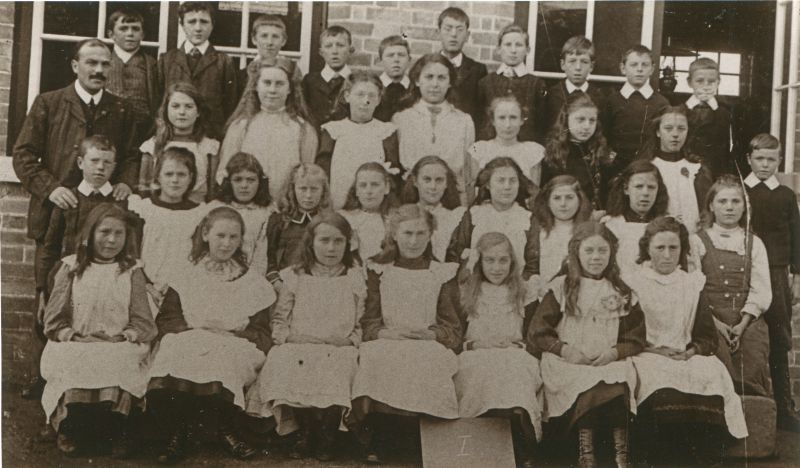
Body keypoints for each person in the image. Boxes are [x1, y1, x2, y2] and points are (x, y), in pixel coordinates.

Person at [13, 37, 138, 399]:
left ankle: (93, 383)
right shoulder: (49, 103)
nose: (98, 70)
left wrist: (125, 183)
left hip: (101, 216)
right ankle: (48, 379)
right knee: (52, 296)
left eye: (104, 64)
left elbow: (130, 155)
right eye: (91, 63)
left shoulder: (121, 109)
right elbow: (23, 155)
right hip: (56, 217)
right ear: (75, 66)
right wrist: (51, 188)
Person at [146, 207, 276, 464]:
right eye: (220, 235)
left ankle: (225, 429)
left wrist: (234, 333)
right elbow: (168, 319)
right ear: (206, 234)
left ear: (241, 240)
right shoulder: (185, 273)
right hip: (192, 336)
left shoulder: (253, 282)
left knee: (222, 357)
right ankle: (179, 431)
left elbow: (261, 331)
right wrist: (194, 330)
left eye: (233, 237)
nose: (226, 243)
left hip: (235, 342)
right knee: (178, 351)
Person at [625, 217, 747, 465]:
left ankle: (700, 455)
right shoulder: (633, 282)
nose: (667, 255)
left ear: (682, 250)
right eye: (660, 248)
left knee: (711, 372)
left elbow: (706, 337)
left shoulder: (692, 283)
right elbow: (625, 333)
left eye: (674, 248)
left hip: (684, 354)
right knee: (655, 378)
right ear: (647, 248)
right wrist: (654, 350)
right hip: (646, 354)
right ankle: (662, 456)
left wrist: (691, 351)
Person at [40, 204, 155, 458]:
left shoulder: (132, 271)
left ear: (127, 238)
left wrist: (125, 336)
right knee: (74, 357)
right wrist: (74, 336)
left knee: (120, 358)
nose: (111, 240)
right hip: (77, 339)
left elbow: (143, 321)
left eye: (119, 233)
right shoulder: (71, 267)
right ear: (90, 234)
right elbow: (53, 321)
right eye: (104, 232)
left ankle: (116, 427)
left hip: (118, 341)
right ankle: (70, 425)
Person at [248, 213, 364, 461]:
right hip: (300, 342)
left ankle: (327, 433)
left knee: (340, 364)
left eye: (338, 241)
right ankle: (305, 431)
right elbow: (280, 318)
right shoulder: (293, 276)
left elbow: (360, 322)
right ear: (311, 242)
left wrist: (350, 340)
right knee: (286, 360)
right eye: (324, 240)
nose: (331, 248)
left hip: (338, 345)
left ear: (348, 243)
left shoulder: (355, 277)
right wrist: (287, 338)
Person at [351, 204, 462, 464]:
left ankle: (418, 435)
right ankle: (383, 434)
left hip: (426, 340)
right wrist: (385, 333)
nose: (414, 241)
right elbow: (369, 319)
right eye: (408, 233)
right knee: (380, 356)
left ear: (430, 234)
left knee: (427, 359)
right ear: (394, 234)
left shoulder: (441, 272)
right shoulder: (378, 270)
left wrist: (431, 335)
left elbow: (452, 326)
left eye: (421, 233)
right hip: (388, 338)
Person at [529, 221, 645, 468]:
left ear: (612, 253)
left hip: (605, 358)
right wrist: (565, 350)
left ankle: (621, 456)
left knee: (618, 379)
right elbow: (538, 333)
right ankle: (586, 454)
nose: (596, 257)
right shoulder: (561, 288)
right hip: (569, 360)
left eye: (602, 251)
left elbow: (636, 336)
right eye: (589, 251)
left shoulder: (621, 290)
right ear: (576, 253)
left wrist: (615, 352)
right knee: (586, 385)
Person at [455, 232, 542, 468]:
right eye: (490, 260)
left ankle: (520, 437)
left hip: (513, 352)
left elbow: (535, 334)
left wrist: (518, 345)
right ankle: (476, 440)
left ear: (512, 262)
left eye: (503, 260)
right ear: (479, 262)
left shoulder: (524, 291)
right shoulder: (466, 291)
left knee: (516, 367)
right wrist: (474, 345)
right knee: (477, 369)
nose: (496, 267)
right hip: (476, 351)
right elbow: (454, 334)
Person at [695, 175, 772, 398]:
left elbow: (761, 289)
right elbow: (694, 289)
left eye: (736, 202)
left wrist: (742, 324)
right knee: (716, 370)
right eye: (722, 201)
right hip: (709, 321)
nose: (729, 207)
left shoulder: (754, 243)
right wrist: (716, 323)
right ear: (711, 205)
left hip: (747, 322)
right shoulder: (697, 241)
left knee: (751, 365)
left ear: (745, 206)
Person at [743, 134, 800, 431]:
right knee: (747, 335)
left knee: (779, 338)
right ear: (749, 159)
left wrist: (796, 277)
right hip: (747, 270)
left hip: (777, 272)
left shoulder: (786, 196)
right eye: (760, 159)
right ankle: (746, 406)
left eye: (771, 159)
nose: (765, 165)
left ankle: (784, 408)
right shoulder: (741, 192)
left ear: (779, 161)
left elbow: (796, 237)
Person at [218, 58, 318, 200]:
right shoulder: (241, 126)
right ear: (256, 86)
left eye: (279, 84)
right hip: (248, 206)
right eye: (267, 83)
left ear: (289, 88)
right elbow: (224, 173)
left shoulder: (303, 130)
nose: (272, 90)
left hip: (286, 208)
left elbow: (307, 176)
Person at [39, 136, 121, 298]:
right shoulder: (69, 200)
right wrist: (43, 289)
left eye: (107, 163)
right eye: (94, 161)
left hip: (108, 283)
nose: (100, 167)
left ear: (114, 167)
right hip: (72, 278)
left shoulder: (120, 201)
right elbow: (51, 248)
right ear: (80, 163)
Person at [393, 53, 476, 204]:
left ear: (450, 82)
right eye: (429, 77)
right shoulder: (401, 119)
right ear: (417, 80)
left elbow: (468, 173)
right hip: (412, 196)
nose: (435, 84)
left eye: (442, 78)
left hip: (451, 197)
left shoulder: (464, 121)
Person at [127, 147, 206, 305]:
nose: (175, 180)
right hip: (144, 287)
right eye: (169, 174)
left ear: (191, 177)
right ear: (158, 177)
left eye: (181, 174)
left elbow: (200, 257)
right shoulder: (142, 209)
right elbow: (131, 253)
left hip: (184, 291)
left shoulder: (199, 213)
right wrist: (147, 286)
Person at [316, 71, 400, 209]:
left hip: (374, 204)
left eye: (371, 96)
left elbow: (392, 174)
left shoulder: (386, 132)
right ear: (347, 96)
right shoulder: (332, 130)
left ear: (378, 100)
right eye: (360, 94)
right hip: (338, 201)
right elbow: (323, 172)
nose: (366, 101)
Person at [157, 1, 238, 139]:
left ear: (212, 25)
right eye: (192, 22)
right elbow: (158, 101)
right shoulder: (167, 60)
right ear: (182, 24)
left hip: (210, 136)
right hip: (173, 135)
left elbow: (230, 105)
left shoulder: (223, 61)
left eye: (204, 22)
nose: (198, 28)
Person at [447, 157, 536, 280]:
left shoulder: (528, 219)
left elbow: (533, 265)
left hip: (517, 288)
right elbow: (455, 254)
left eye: (512, 181)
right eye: (501, 180)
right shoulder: (474, 215)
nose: (507, 187)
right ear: (488, 184)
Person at [138, 82, 218, 203]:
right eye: (175, 106)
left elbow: (212, 192)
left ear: (198, 112)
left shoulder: (209, 147)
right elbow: (144, 188)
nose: (182, 112)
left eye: (188, 106)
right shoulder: (152, 145)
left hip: (197, 211)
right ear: (166, 110)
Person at [639, 106, 713, 233]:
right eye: (668, 128)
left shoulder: (697, 169)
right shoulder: (648, 168)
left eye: (681, 129)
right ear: (658, 132)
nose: (675, 134)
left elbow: (707, 210)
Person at [542, 92, 613, 212]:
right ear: (566, 120)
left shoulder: (602, 152)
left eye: (592, 121)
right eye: (580, 120)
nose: (587, 126)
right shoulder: (554, 154)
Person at [476, 24, 547, 143]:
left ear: (527, 50)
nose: (513, 50)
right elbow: (479, 120)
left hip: (525, 149)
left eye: (519, 45)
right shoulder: (485, 83)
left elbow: (541, 124)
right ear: (499, 49)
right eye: (508, 45)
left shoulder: (537, 84)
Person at [211, 152, 277, 278]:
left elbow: (262, 255)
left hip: (252, 276)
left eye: (251, 180)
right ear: (229, 181)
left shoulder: (266, 212)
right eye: (238, 179)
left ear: (260, 182)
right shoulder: (215, 208)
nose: (244, 186)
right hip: (216, 273)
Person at [266, 163, 331, 289]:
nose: (308, 195)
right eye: (302, 188)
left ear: (323, 191)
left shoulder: (328, 222)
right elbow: (270, 259)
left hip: (318, 286)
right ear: (292, 189)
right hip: (283, 285)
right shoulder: (279, 222)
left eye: (314, 189)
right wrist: (277, 283)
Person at [527, 175, 593, 299]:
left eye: (569, 198)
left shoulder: (588, 229)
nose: (563, 204)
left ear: (579, 200)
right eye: (557, 198)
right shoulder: (538, 230)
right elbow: (532, 267)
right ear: (547, 201)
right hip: (544, 298)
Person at [604, 45, 669, 169]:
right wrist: (611, 159)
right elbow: (603, 135)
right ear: (623, 68)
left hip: (649, 165)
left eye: (645, 65)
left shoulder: (661, 103)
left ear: (652, 69)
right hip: (616, 166)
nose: (639, 69)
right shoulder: (612, 101)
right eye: (634, 65)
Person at [602, 159, 669, 274]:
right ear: (626, 189)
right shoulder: (612, 225)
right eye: (639, 186)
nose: (645, 193)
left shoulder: (668, 225)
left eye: (651, 187)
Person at [105, 8, 159, 142]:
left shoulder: (152, 65)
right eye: (123, 29)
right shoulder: (103, 61)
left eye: (135, 29)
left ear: (142, 34)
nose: (130, 34)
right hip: (106, 130)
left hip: (143, 133)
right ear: (111, 34)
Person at [469, 95, 545, 188]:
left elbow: (533, 194)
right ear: (493, 120)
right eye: (501, 118)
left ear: (521, 120)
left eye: (513, 117)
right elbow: (475, 191)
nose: (508, 125)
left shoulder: (532, 151)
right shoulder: (480, 149)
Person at [400, 156, 465, 261]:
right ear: (415, 181)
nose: (433, 187)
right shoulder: (403, 215)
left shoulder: (456, 217)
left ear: (446, 183)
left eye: (439, 180)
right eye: (427, 180)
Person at [681, 57, 738, 177]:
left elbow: (728, 147)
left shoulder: (724, 113)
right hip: (685, 169)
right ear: (689, 82)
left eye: (711, 81)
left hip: (715, 171)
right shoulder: (680, 111)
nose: (706, 86)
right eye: (700, 81)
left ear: (718, 82)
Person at [543, 36, 607, 136]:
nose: (578, 67)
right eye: (572, 61)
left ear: (591, 66)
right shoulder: (551, 95)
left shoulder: (599, 97)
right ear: (563, 64)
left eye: (584, 62)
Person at [436, 7, 487, 127]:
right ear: (438, 33)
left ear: (467, 35)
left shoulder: (478, 70)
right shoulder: (426, 66)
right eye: (448, 29)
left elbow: (481, 113)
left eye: (459, 30)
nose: (453, 34)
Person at [340, 162, 399, 262]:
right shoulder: (345, 217)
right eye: (363, 185)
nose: (369, 191)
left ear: (386, 188)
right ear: (356, 191)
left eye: (375, 185)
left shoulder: (394, 218)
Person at [302, 25, 354, 127]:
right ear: (321, 52)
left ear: (350, 50)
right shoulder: (309, 81)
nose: (334, 51)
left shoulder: (356, 81)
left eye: (340, 45)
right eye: (328, 46)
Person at [241, 14, 302, 94]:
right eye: (264, 36)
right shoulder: (242, 75)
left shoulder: (292, 74)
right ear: (254, 39)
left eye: (275, 36)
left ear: (283, 41)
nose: (269, 42)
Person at [374, 35, 412, 123]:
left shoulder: (416, 89)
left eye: (401, 55)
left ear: (409, 60)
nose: (396, 60)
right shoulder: (373, 87)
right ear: (380, 60)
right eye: (390, 55)